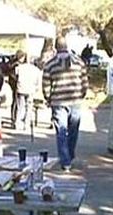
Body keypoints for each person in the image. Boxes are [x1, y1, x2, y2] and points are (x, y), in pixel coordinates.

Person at [42, 36, 88, 172]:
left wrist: (48, 98)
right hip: (75, 100)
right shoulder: (79, 62)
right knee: (73, 130)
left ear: (56, 47)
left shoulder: (50, 64)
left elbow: (45, 84)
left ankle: (65, 161)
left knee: (61, 131)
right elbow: (85, 82)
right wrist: (81, 94)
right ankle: (70, 154)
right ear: (67, 46)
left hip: (58, 101)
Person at [14, 52, 41, 131]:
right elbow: (38, 81)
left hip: (21, 88)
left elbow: (16, 76)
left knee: (20, 107)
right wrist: (36, 88)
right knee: (29, 108)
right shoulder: (36, 70)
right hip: (31, 89)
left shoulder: (19, 67)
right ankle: (27, 124)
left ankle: (18, 123)